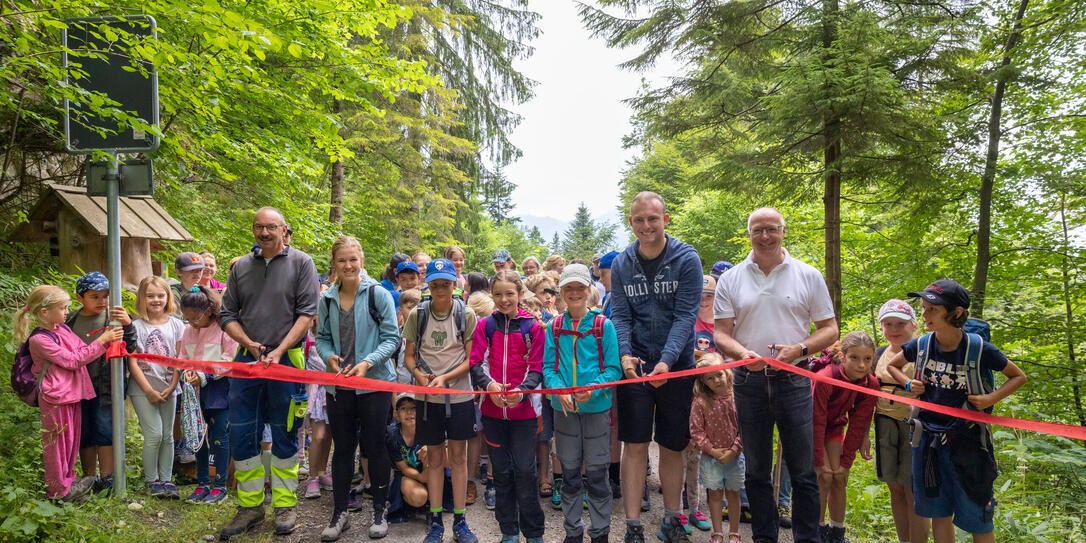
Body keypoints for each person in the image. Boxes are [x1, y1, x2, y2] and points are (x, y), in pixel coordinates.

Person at [713, 207, 839, 543]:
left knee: (803, 470)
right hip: (748, 381)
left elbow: (830, 329)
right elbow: (721, 333)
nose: (765, 236)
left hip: (794, 379)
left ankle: (807, 538)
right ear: (749, 233)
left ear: (784, 231)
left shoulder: (807, 275)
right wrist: (742, 354)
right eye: (758, 230)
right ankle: (764, 537)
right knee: (756, 470)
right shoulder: (731, 278)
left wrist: (798, 349)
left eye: (772, 229)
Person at [887, 280, 1027, 543]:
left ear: (957, 313)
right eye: (924, 308)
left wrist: (990, 399)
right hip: (928, 442)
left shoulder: (978, 348)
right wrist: (907, 383)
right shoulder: (922, 345)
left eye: (932, 310)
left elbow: (1018, 376)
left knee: (979, 517)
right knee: (938, 512)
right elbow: (893, 366)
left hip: (970, 445)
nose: (925, 315)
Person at [219, 207, 320, 539]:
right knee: (242, 434)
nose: (264, 233)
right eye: (259, 228)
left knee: (285, 432)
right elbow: (227, 314)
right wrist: (248, 342)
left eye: (271, 228)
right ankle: (249, 507)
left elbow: (307, 313)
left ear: (283, 229)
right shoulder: (241, 268)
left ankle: (284, 504)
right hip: (246, 361)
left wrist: (278, 350)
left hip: (287, 360)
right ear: (253, 230)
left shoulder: (301, 263)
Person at [609, 191, 703, 543]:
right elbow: (619, 313)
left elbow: (685, 316)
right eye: (639, 220)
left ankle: (671, 518)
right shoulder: (621, 263)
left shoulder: (686, 258)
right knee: (633, 444)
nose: (646, 226)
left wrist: (666, 362)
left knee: (671, 445)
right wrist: (624, 355)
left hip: (676, 366)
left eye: (653, 218)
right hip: (635, 366)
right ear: (630, 222)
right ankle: (633, 526)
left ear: (665, 219)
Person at [315, 235, 400, 540]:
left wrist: (367, 362)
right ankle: (339, 513)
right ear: (334, 264)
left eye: (353, 259)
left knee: (375, 446)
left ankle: (379, 510)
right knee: (342, 449)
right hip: (340, 387)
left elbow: (393, 339)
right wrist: (329, 358)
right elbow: (321, 339)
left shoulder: (378, 295)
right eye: (342, 260)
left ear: (362, 260)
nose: (348, 265)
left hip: (375, 384)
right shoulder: (326, 299)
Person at [14, 285, 124, 501]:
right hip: (54, 398)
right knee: (56, 446)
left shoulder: (62, 329)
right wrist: (102, 341)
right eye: (63, 308)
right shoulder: (39, 339)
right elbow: (73, 360)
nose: (67, 312)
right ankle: (57, 491)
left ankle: (69, 484)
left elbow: (81, 349)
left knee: (71, 444)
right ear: (44, 312)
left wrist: (102, 339)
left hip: (72, 394)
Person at [543, 263, 622, 543]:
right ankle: (573, 531)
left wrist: (593, 390)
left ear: (589, 290)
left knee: (599, 476)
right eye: (569, 288)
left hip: (597, 410)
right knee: (571, 474)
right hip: (564, 411)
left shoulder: (603, 326)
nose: (574, 293)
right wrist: (559, 391)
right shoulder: (553, 327)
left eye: (579, 287)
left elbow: (614, 369)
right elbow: (548, 369)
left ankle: (600, 532)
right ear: (561, 291)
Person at [403, 258, 480, 543]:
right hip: (428, 399)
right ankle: (435, 521)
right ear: (428, 286)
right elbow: (409, 355)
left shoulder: (466, 314)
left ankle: (460, 520)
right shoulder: (418, 315)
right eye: (435, 285)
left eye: (445, 284)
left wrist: (446, 379)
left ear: (454, 284)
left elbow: (472, 358)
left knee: (458, 458)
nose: (440, 290)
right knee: (434, 459)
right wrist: (420, 377)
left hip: (459, 396)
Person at [469, 270, 546, 543]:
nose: (504, 300)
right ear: (492, 295)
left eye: (509, 294)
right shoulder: (484, 326)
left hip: (524, 414)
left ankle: (534, 532)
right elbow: (477, 362)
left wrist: (522, 393)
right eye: (498, 294)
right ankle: (509, 531)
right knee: (501, 473)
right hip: (492, 413)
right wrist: (488, 386)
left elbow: (537, 368)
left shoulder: (533, 327)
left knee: (526, 471)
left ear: (520, 294)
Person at [69, 272, 137, 496]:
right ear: (80, 298)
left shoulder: (114, 317)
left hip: (106, 386)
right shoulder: (71, 320)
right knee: (84, 432)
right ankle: (89, 478)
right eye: (94, 297)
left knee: (105, 430)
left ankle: (108, 478)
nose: (101, 301)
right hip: (76, 387)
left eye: (106, 296)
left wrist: (128, 325)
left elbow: (130, 345)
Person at [812, 332, 880, 543]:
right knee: (824, 477)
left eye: (867, 359)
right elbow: (816, 421)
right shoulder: (825, 378)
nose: (861, 365)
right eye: (854, 358)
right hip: (812, 426)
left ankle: (837, 531)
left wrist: (846, 461)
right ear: (842, 356)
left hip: (835, 427)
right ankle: (818, 529)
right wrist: (818, 460)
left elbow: (859, 422)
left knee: (839, 477)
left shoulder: (870, 384)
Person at [872, 299, 929, 543]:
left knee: (912, 489)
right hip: (884, 423)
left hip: (915, 427)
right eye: (888, 323)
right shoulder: (877, 354)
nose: (894, 329)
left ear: (914, 325)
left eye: (901, 324)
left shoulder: (926, 352)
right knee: (893, 485)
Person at [178, 285, 238, 505]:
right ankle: (203, 483)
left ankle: (220, 486)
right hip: (194, 392)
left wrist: (204, 377)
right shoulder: (188, 330)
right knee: (198, 438)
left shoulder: (225, 329)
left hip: (219, 391)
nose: (192, 323)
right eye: (188, 319)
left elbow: (229, 359)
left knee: (219, 437)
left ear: (210, 310)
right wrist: (188, 373)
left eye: (196, 318)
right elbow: (183, 356)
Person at [128, 276, 185, 499]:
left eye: (160, 295)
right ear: (142, 298)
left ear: (168, 297)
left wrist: (172, 386)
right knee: (154, 434)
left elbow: (180, 358)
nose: (156, 300)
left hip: (169, 387)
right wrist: (148, 390)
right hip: (142, 388)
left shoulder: (177, 325)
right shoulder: (135, 326)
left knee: (168, 435)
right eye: (150, 296)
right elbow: (132, 361)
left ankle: (167, 479)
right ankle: (152, 481)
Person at [689, 352, 744, 543]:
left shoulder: (737, 396)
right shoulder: (701, 401)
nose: (716, 381)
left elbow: (745, 427)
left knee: (733, 493)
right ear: (703, 382)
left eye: (719, 375)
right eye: (710, 378)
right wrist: (711, 450)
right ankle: (718, 533)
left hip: (735, 456)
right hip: (710, 457)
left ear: (726, 372)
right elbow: (696, 431)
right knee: (714, 493)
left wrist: (734, 450)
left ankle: (735, 533)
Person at [387, 393, 428, 517]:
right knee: (419, 497)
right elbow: (403, 468)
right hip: (408, 475)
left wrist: (430, 450)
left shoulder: (428, 429)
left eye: (413, 408)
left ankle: (434, 508)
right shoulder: (392, 436)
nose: (409, 412)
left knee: (432, 453)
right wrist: (421, 478)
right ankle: (407, 501)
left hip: (430, 472)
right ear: (397, 414)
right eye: (403, 408)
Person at [172, 252, 205, 317]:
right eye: (192, 270)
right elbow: (176, 323)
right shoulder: (174, 294)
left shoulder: (202, 290)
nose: (197, 274)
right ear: (178, 271)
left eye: (200, 270)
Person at [695, 275, 716, 353]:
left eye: (708, 296)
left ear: (715, 297)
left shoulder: (721, 320)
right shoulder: (689, 316)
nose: (703, 301)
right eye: (700, 296)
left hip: (715, 363)